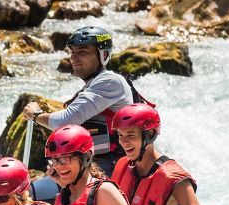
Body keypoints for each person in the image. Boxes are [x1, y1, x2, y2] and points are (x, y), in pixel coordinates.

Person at [21, 26, 153, 174]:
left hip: (113, 167)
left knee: (36, 191)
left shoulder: (110, 81)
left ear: (103, 55)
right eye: (72, 52)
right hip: (92, 164)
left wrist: (36, 115)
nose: (73, 58)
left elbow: (66, 121)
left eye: (82, 52)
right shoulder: (95, 84)